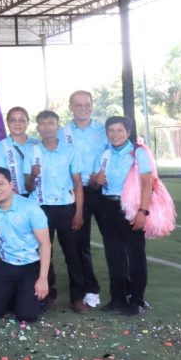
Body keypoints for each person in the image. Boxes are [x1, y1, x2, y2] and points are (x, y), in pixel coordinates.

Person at [0, 168, 51, 323]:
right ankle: (18, 294)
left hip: (31, 265)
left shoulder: (30, 208)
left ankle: (39, 297)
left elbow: (45, 245)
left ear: (11, 185)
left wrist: (43, 279)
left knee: (27, 316)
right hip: (6, 264)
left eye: (1, 184)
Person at [25, 110, 88, 313]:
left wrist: (78, 212)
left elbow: (78, 183)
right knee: (44, 252)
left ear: (57, 126)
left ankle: (77, 297)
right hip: (40, 208)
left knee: (73, 253)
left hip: (66, 208)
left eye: (51, 123)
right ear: (38, 128)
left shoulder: (70, 151)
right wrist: (32, 176)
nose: (47, 128)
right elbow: (28, 187)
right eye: (42, 124)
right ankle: (47, 295)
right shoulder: (32, 151)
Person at [90, 116, 152, 316]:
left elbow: (147, 184)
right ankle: (118, 297)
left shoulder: (137, 152)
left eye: (120, 130)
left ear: (128, 132)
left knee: (135, 255)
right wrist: (96, 180)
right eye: (111, 130)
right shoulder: (105, 153)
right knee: (114, 255)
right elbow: (94, 183)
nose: (115, 134)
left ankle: (137, 299)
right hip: (108, 207)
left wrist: (142, 211)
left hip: (131, 208)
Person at [59, 90, 108, 308]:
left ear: (92, 106)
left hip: (103, 191)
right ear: (71, 107)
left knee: (114, 242)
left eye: (87, 104)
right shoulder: (62, 133)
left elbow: (112, 156)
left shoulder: (103, 131)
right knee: (80, 244)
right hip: (76, 192)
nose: (83, 108)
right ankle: (88, 289)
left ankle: (123, 291)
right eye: (78, 104)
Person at [0, 107, 35, 196]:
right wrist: (14, 197)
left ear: (28, 122)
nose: (17, 123)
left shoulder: (37, 144)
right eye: (13, 120)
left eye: (21, 120)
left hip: (39, 197)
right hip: (13, 197)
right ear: (7, 123)